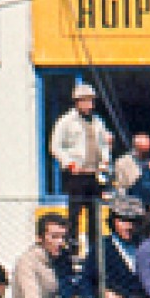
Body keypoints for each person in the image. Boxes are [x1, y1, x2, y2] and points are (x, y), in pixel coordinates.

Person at [51, 81, 113, 244]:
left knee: (94, 214)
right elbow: (55, 146)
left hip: (95, 174)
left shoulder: (98, 121)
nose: (89, 104)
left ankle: (94, 250)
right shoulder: (66, 121)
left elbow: (104, 143)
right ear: (77, 101)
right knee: (74, 214)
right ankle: (71, 248)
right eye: (85, 100)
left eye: (91, 100)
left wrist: (105, 160)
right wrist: (69, 163)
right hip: (76, 175)